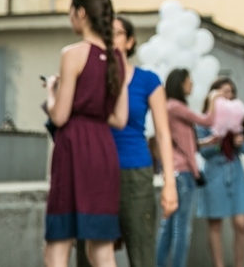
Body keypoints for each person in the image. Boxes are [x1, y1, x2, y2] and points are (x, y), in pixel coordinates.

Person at [77, 15, 179, 267]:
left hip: (134, 174)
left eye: (118, 33)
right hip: (94, 174)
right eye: (105, 33)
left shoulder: (148, 80)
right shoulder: (87, 77)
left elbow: (164, 134)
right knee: (89, 256)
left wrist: (169, 184)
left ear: (130, 41)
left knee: (141, 253)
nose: (111, 38)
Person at [43, 0, 129, 267]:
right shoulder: (118, 57)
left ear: (80, 12)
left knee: (58, 246)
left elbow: (60, 117)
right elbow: (120, 119)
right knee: (101, 251)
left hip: (74, 149)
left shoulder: (73, 53)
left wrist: (51, 94)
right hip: (104, 150)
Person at [155, 68, 219, 267]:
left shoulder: (170, 106)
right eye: (189, 80)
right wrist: (214, 98)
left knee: (169, 226)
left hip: (176, 172)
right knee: (181, 228)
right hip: (183, 173)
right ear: (180, 83)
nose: (191, 84)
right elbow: (208, 120)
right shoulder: (175, 106)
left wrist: (206, 142)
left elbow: (183, 141)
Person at [197, 77, 244, 267]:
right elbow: (202, 152)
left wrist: (241, 142)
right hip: (215, 173)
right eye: (223, 92)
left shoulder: (240, 117)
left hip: (235, 171)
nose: (228, 96)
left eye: (231, 92)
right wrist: (217, 142)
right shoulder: (204, 120)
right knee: (215, 223)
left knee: (241, 223)